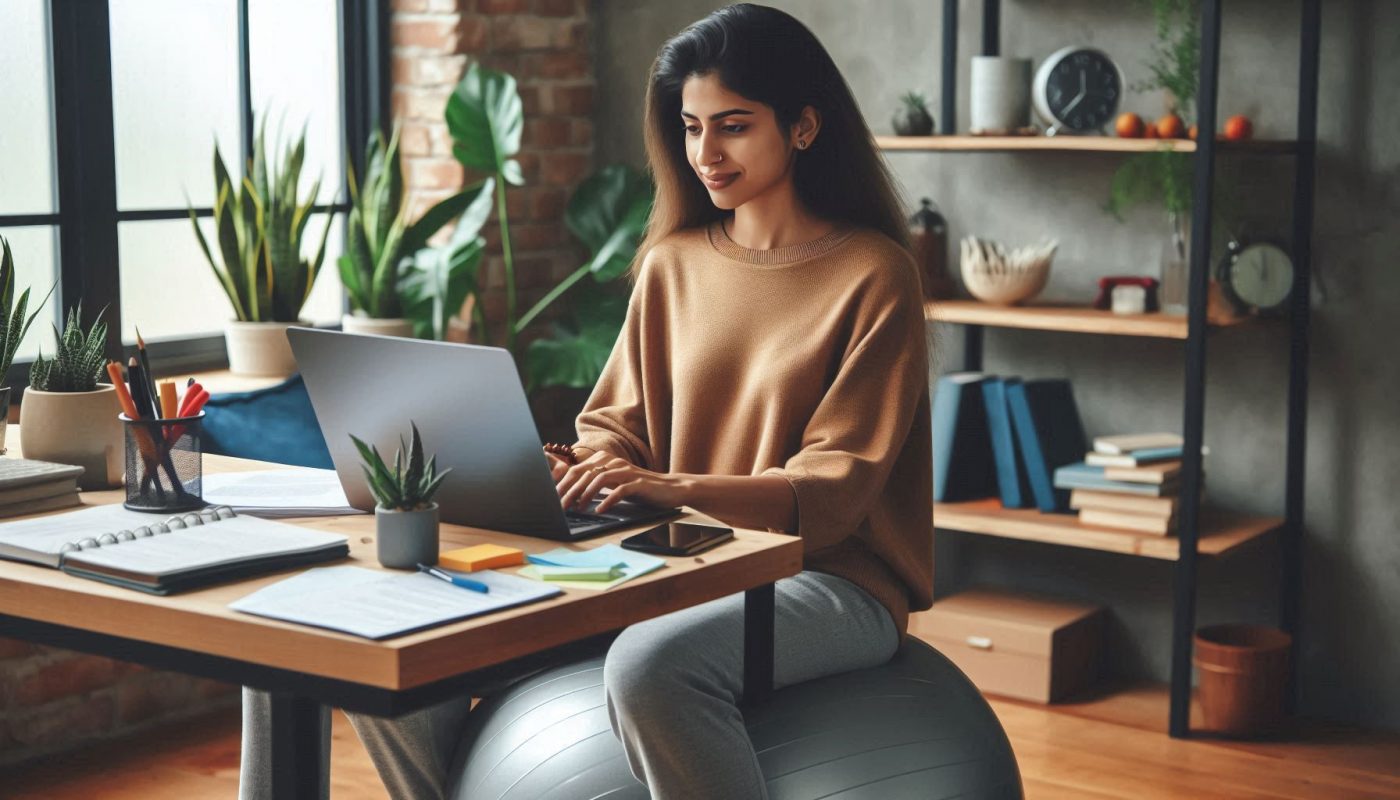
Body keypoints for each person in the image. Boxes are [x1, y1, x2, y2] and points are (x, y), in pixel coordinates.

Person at [239, 4, 931, 798]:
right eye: (691, 126)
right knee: (341, 616)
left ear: (803, 127)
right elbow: (615, 427)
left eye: (733, 126)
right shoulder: (673, 263)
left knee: (650, 666)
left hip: (827, 580)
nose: (705, 152)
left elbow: (835, 492)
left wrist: (671, 490)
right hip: (668, 557)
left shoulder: (874, 274)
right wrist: (582, 469)